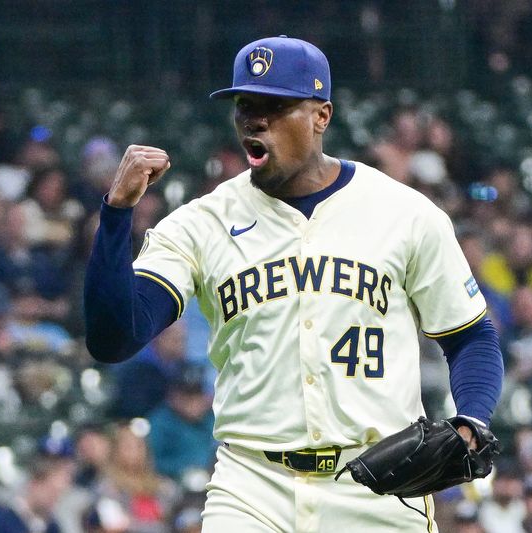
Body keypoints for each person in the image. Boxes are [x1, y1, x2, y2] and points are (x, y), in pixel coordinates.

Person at [84, 35, 503, 532]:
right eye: (245, 106)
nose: (255, 120)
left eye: (275, 106)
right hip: (252, 486)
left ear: (321, 116)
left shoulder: (405, 214)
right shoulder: (201, 223)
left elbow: (471, 337)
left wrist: (473, 420)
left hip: (378, 482)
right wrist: (116, 214)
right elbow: (114, 337)